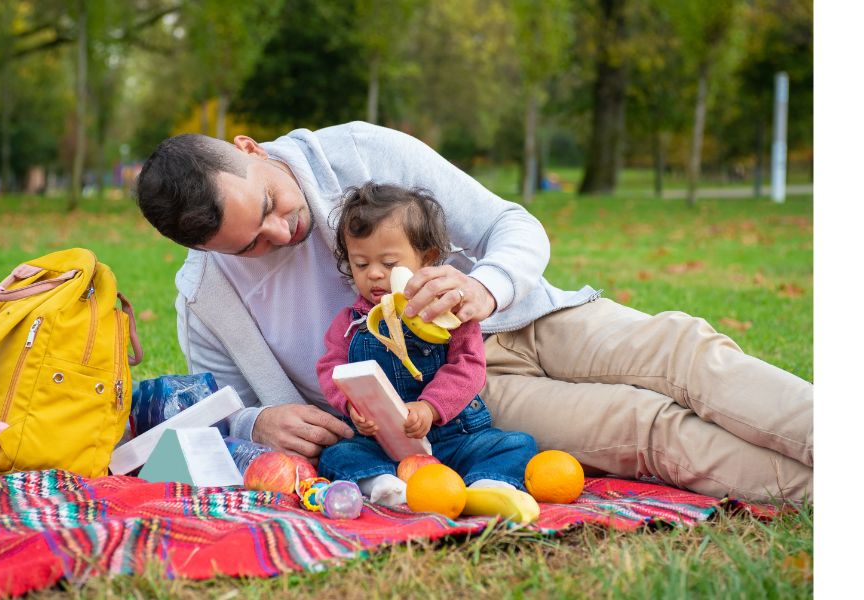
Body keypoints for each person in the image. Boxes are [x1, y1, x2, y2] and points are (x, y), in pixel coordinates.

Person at [135, 121, 813, 504]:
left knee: (687, 352)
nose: (281, 236)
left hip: (523, 316)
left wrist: (484, 289)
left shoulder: (358, 153)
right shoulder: (204, 299)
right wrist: (261, 419)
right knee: (644, 429)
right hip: (464, 400)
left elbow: (514, 227)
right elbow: (222, 418)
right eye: (249, 246)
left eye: (270, 210)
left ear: (250, 150)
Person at [314, 182, 537, 506]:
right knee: (338, 454)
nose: (374, 274)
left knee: (518, 444)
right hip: (381, 442)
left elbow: (468, 367)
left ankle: (486, 486)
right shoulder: (351, 323)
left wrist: (430, 407)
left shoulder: (447, 313)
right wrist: (351, 406)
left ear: (426, 259)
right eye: (361, 264)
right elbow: (330, 368)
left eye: (389, 263)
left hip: (455, 436)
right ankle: (383, 483)